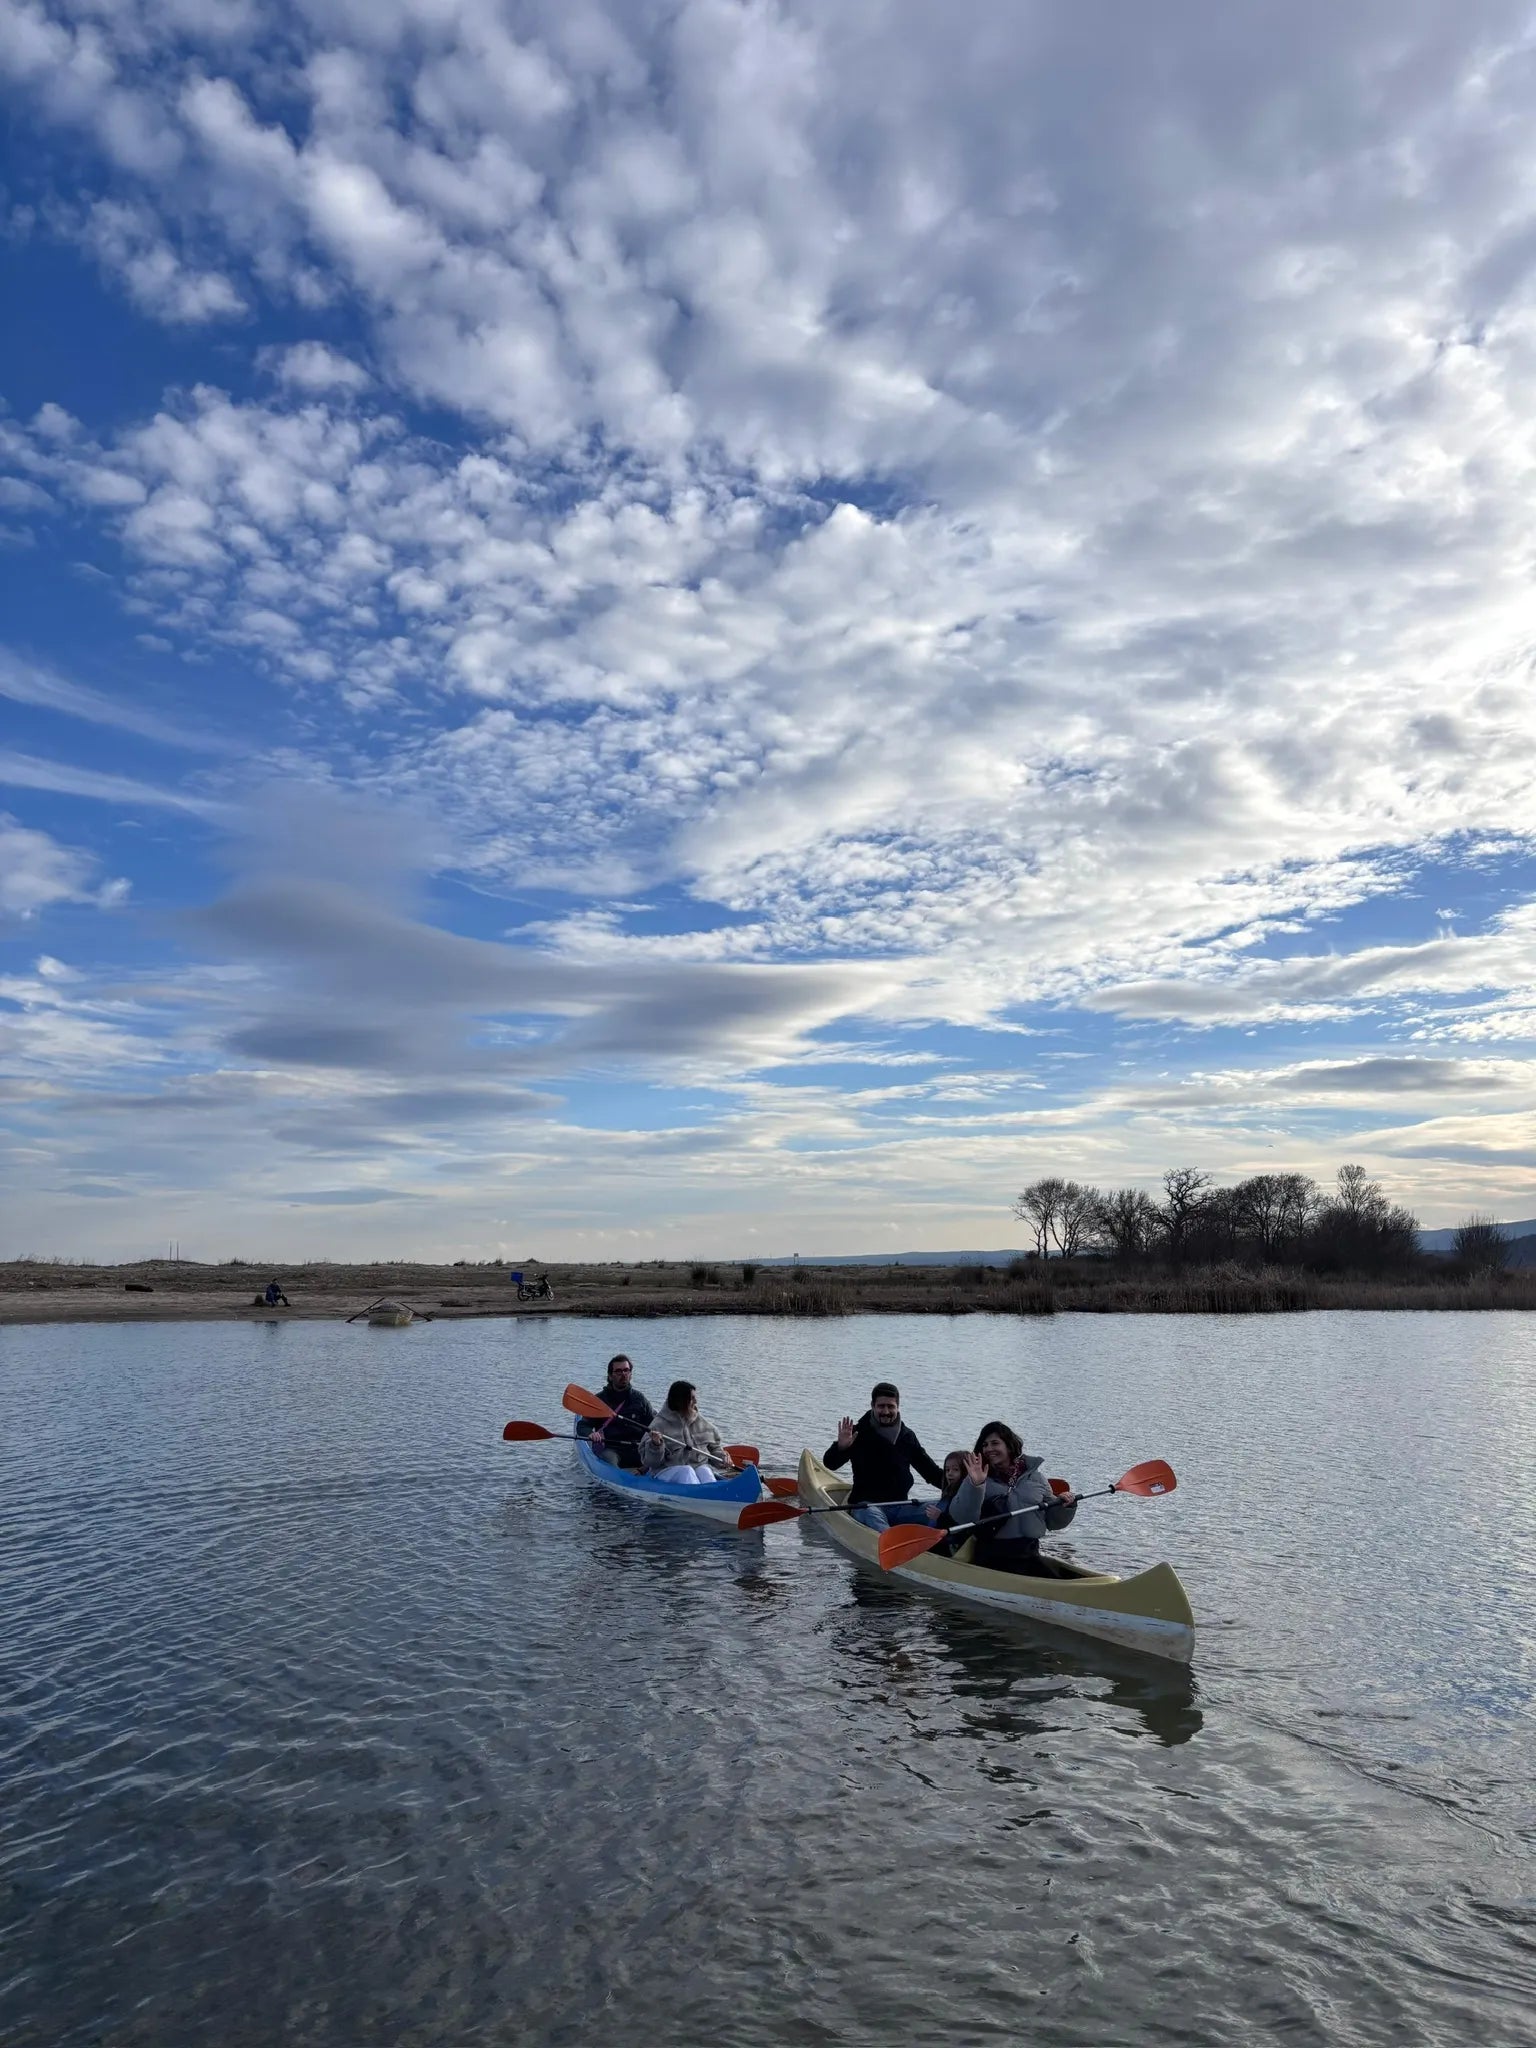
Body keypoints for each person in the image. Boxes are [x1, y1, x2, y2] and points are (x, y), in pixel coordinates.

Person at [949, 1420, 1078, 1576]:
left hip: (1029, 1553)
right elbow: (962, 1517)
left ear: (1009, 1446)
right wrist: (975, 1485)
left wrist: (1065, 1505)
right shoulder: (978, 1478)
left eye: (995, 1443)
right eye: (985, 1445)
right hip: (993, 1557)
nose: (989, 1449)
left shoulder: (1036, 1478)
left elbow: (1053, 1522)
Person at [825, 1382, 945, 1530]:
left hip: (900, 1507)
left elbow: (930, 1472)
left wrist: (960, 1485)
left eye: (891, 1406)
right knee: (871, 1514)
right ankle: (891, 1541)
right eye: (881, 1406)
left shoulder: (907, 1436)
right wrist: (841, 1448)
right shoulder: (857, 1433)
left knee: (943, 1507)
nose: (886, 1411)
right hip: (867, 1507)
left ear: (898, 1407)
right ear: (873, 1406)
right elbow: (830, 1463)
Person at [639, 1380, 729, 1485]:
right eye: (692, 1398)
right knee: (686, 1471)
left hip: (695, 1469)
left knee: (705, 1470)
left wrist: (723, 1459)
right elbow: (651, 1463)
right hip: (665, 1472)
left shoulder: (703, 1424)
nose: (695, 1401)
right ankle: (698, 1496)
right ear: (680, 1401)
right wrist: (656, 1445)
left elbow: (715, 1448)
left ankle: (713, 1495)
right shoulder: (658, 1425)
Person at [574, 1354, 654, 1469]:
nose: (623, 1374)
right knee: (609, 1460)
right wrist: (591, 1434)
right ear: (610, 1376)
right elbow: (582, 1426)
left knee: (659, 1461)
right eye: (618, 1371)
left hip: (637, 1448)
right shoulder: (599, 1401)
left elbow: (653, 1424)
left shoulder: (639, 1399)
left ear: (630, 1374)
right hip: (612, 1449)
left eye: (626, 1370)